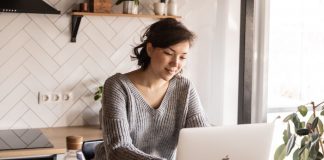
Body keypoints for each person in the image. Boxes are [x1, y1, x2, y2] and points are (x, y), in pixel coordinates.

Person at [94, 18, 209, 160]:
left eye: (182, 57)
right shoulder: (118, 86)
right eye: (168, 53)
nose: (175, 63)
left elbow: (202, 138)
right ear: (150, 49)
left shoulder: (185, 88)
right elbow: (118, 149)